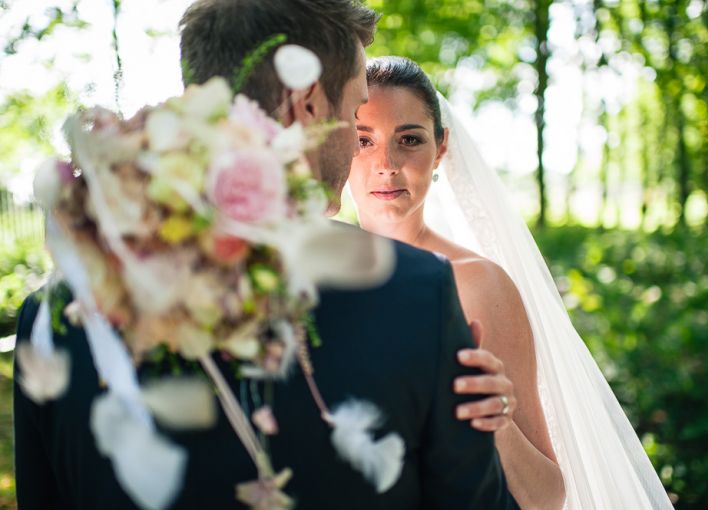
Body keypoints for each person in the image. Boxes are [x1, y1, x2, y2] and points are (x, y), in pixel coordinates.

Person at [13, 1, 519, 509]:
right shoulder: (418, 294)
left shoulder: (53, 316)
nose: (357, 143)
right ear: (308, 103)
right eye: (352, 108)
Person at [348, 55, 674, 509]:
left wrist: (495, 421)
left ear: (440, 148)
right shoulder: (314, 280)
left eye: (409, 139)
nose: (386, 164)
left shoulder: (477, 285)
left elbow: (547, 496)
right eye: (363, 140)